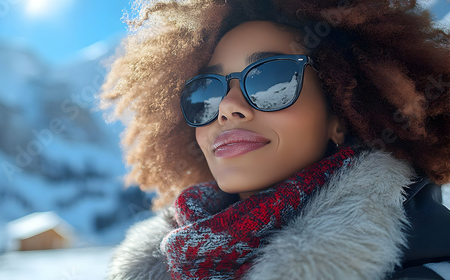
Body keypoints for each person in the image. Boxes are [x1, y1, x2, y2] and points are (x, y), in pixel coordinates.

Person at [100, 0, 450, 279]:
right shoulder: (164, 263)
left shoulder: (428, 266)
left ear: (340, 117)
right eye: (205, 92)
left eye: (272, 79)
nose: (227, 107)